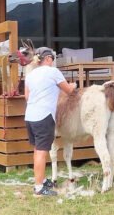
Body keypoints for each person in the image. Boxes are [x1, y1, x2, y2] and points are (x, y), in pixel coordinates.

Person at [24, 47, 76, 196]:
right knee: (41, 152)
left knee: (37, 150)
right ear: (48, 59)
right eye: (52, 59)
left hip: (30, 116)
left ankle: (41, 179)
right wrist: (72, 85)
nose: (53, 62)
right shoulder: (53, 72)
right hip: (44, 116)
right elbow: (69, 91)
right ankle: (39, 188)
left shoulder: (31, 74)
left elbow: (27, 97)